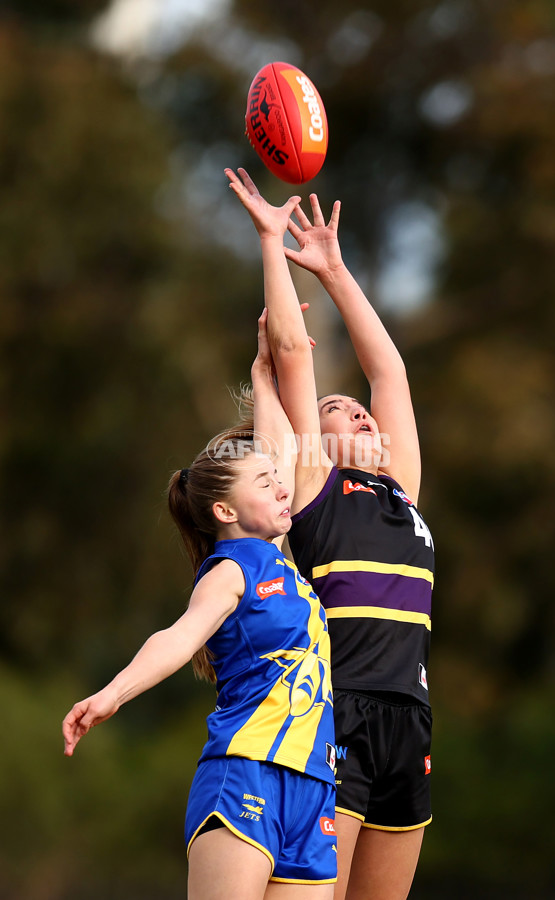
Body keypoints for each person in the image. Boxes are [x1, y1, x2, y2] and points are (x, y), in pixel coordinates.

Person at [62, 310, 338, 900]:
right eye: (264, 484)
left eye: (276, 479)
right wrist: (113, 693)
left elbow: (278, 450)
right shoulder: (233, 569)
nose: (281, 485)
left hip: (314, 786)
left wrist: (264, 377)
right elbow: (180, 637)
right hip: (246, 770)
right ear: (225, 512)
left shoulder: (279, 559)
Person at [226, 168, 434, 900]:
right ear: (318, 435)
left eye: (358, 407)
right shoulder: (314, 483)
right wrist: (271, 244)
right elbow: (293, 353)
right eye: (342, 408)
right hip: (337, 713)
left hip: (410, 722)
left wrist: (339, 273)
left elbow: (393, 375)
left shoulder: (399, 490)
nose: (362, 411)